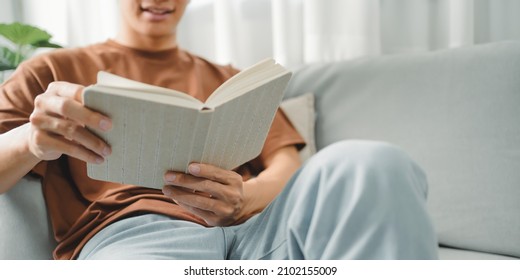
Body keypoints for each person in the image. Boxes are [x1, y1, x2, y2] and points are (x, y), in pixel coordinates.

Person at [0, 0, 439, 260]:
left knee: (373, 163)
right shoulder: (52, 70)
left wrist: (244, 200)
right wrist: (31, 141)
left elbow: (286, 165)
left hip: (260, 231)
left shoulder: (234, 78)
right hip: (137, 235)